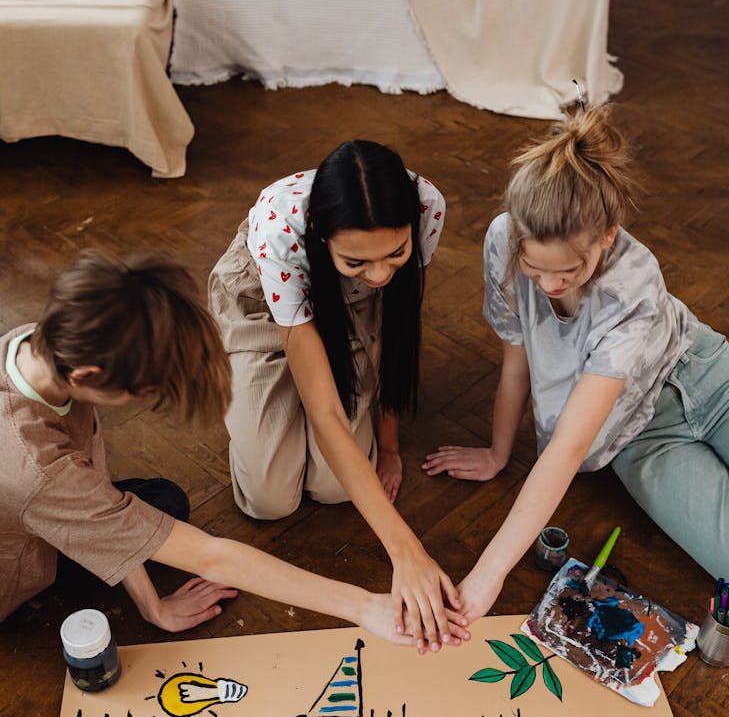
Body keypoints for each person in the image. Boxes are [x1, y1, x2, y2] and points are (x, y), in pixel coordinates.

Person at [1, 250, 468, 652]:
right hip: (15, 563)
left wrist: (149, 601)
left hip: (43, 499)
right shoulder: (38, 470)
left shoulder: (38, 342)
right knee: (159, 529)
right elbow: (212, 557)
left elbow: (91, 481)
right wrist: (364, 606)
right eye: (140, 393)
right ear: (86, 376)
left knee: (164, 503)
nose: (142, 403)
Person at [424, 104, 729, 616]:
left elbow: (568, 446)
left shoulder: (631, 287)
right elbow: (518, 356)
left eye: (569, 272)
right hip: (639, 433)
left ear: (608, 234)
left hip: (710, 378)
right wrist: (497, 451)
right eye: (535, 269)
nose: (550, 285)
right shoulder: (501, 240)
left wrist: (488, 573)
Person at [209, 139, 467, 649]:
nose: (380, 275)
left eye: (396, 253)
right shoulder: (278, 232)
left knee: (336, 488)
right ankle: (249, 391)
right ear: (323, 238)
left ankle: (290, 415)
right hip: (264, 307)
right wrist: (406, 552)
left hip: (348, 308)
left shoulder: (426, 208)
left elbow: (396, 329)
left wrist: (389, 447)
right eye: (357, 259)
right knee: (267, 499)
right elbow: (325, 413)